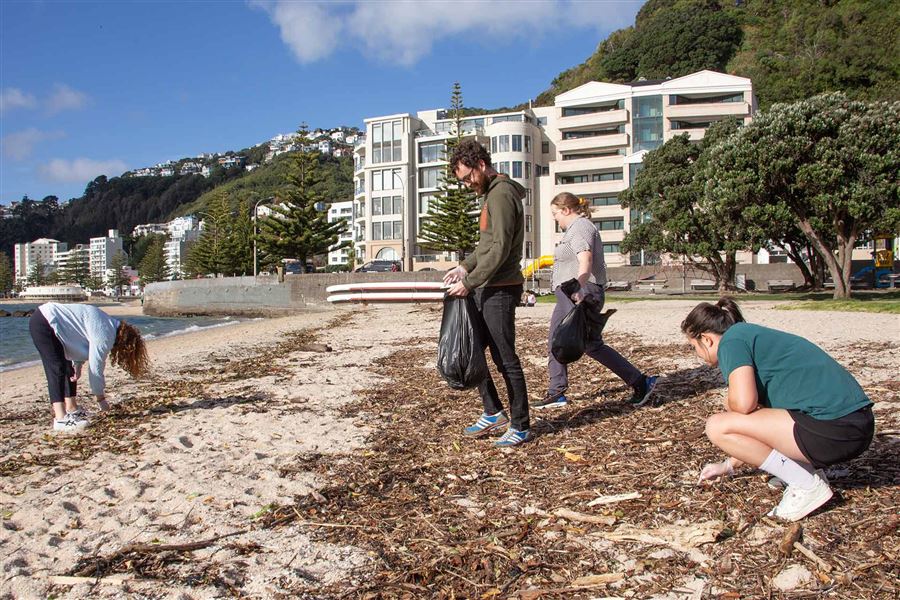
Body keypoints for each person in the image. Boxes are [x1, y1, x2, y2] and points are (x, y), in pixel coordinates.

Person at [685, 298, 874, 521]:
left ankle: (806, 485)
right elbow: (761, 427)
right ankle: (806, 474)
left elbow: (743, 404)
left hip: (835, 429)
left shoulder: (731, 342)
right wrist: (728, 465)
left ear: (706, 340)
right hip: (853, 426)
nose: (695, 352)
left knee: (717, 425)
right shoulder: (749, 336)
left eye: (693, 346)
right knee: (744, 416)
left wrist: (729, 403)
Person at [533, 192, 657, 410]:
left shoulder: (579, 227)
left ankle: (556, 392)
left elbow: (585, 258)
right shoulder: (579, 228)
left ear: (566, 210)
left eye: (555, 214)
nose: (555, 219)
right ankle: (640, 382)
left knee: (557, 339)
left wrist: (579, 287)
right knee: (591, 344)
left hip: (578, 292)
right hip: (581, 290)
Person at [444, 139, 531, 447]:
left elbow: (501, 248)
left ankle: (521, 424)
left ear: (481, 165)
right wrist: (464, 268)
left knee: (506, 358)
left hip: (501, 288)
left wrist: (469, 282)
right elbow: (485, 247)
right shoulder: (491, 195)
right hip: (487, 284)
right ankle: (493, 410)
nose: (468, 184)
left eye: (468, 177)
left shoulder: (502, 195)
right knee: (474, 351)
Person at [29, 302, 150, 433]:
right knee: (57, 368)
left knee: (68, 368)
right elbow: (95, 369)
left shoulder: (109, 323)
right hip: (44, 322)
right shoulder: (105, 335)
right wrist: (101, 399)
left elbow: (78, 335)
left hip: (52, 322)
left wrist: (78, 364)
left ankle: (72, 409)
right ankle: (60, 418)